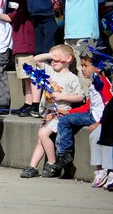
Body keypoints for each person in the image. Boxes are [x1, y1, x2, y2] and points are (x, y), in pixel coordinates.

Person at [19, 45, 84, 178]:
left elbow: (80, 96)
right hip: (48, 112)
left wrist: (62, 97)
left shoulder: (72, 78)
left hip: (61, 113)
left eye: (57, 58)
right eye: (52, 59)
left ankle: (52, 162)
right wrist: (50, 56)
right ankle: (33, 166)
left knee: (43, 134)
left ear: (68, 59)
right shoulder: (50, 71)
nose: (53, 61)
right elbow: (36, 59)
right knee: (40, 140)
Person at [54, 52, 112, 169]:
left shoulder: (102, 83)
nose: (83, 69)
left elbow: (109, 105)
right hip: (92, 114)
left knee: (64, 121)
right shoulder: (94, 83)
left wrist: (101, 123)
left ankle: (64, 153)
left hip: (98, 118)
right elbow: (88, 106)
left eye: (86, 66)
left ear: (98, 67)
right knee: (65, 118)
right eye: (82, 66)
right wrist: (69, 112)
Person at [0, 0, 37, 117]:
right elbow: (8, 18)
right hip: (19, 48)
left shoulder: (29, 3)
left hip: (28, 47)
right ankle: (28, 103)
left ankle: (34, 104)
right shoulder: (19, 10)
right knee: (25, 79)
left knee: (31, 77)